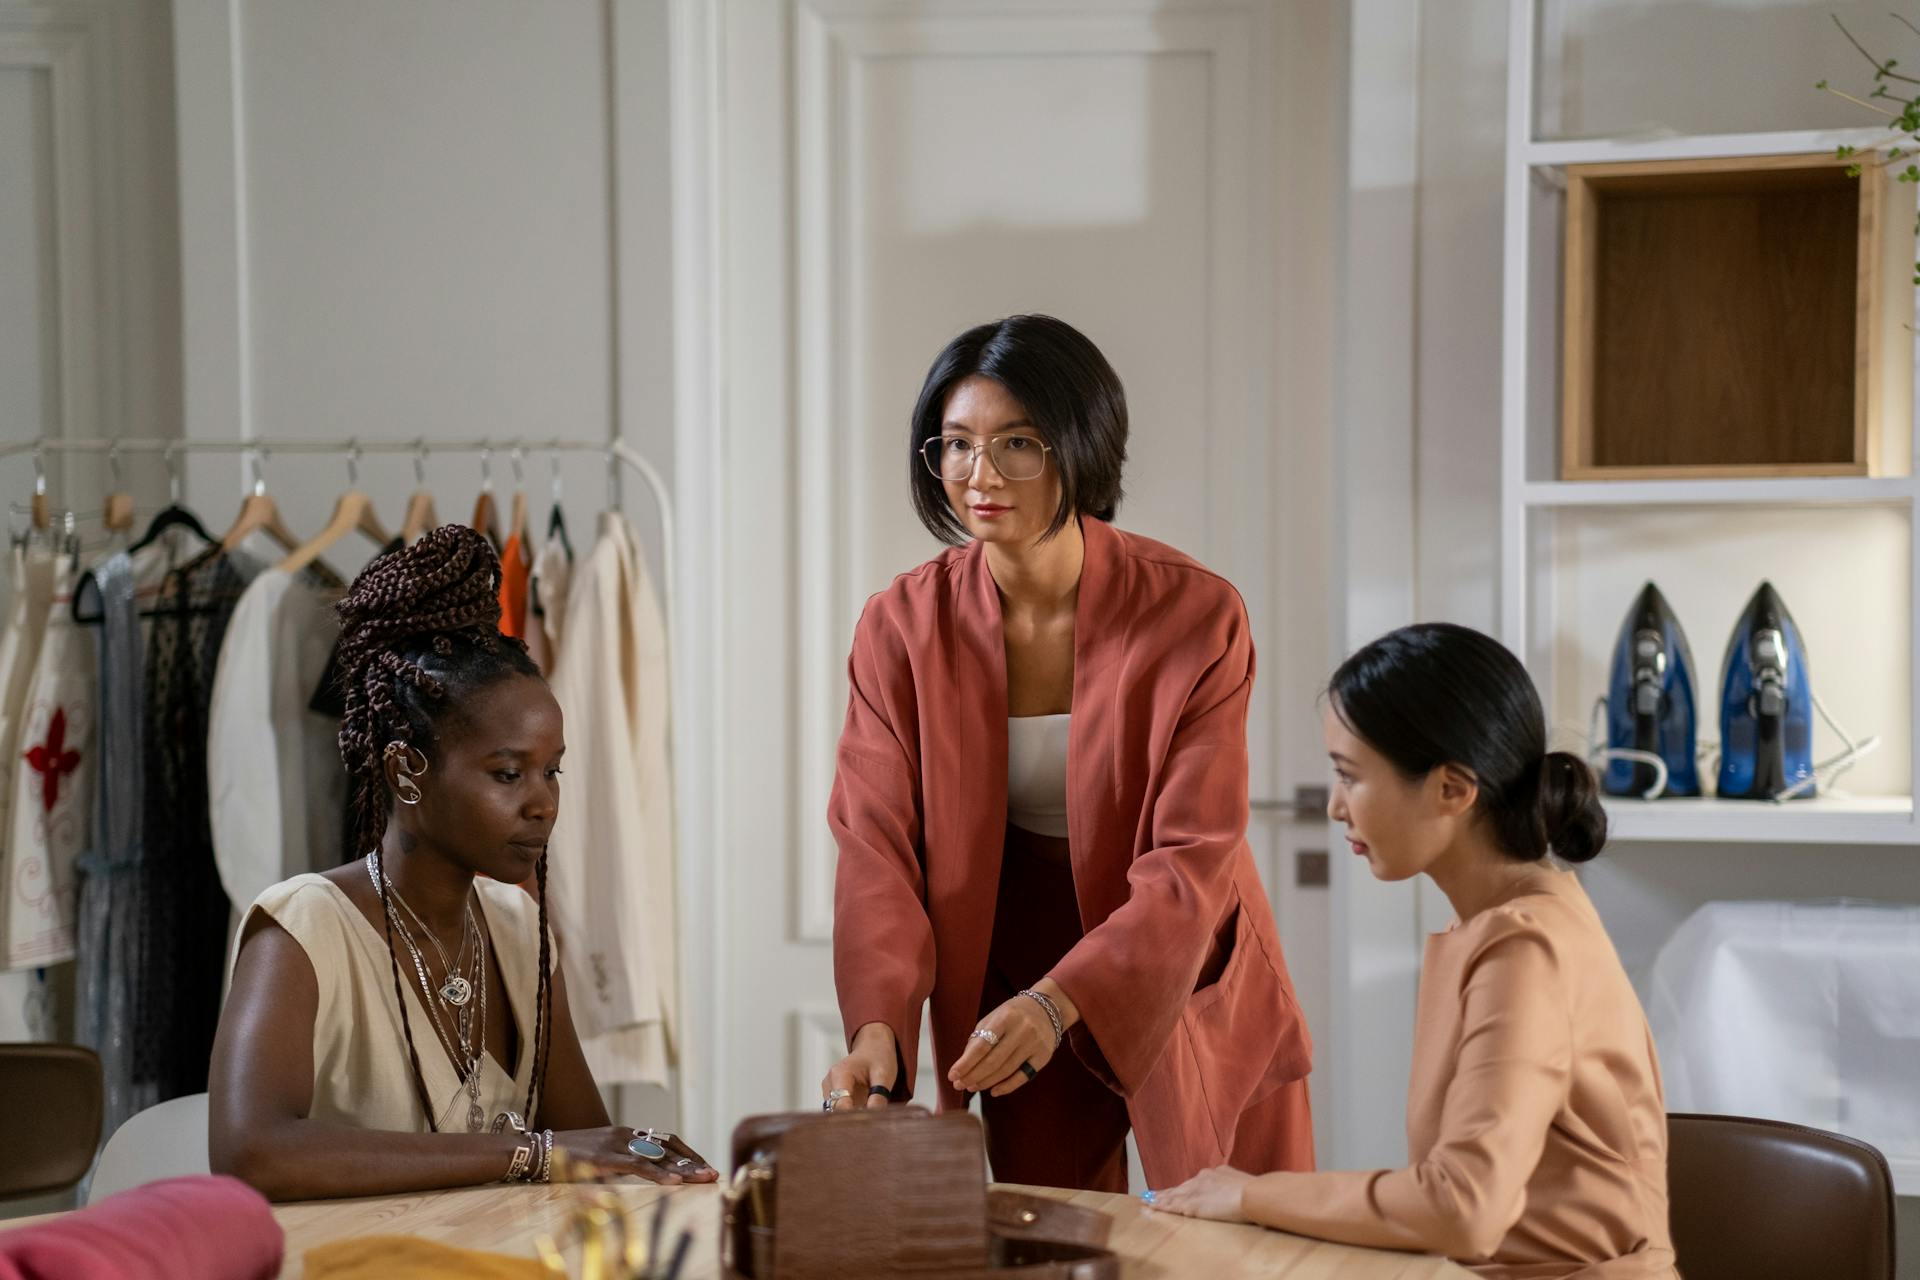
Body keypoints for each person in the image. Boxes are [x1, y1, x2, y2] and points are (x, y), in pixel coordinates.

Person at [824, 314, 1314, 1192]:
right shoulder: (899, 628)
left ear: (1081, 447)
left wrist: (1067, 1000)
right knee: (1049, 1239)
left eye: (1019, 443)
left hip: (1182, 950)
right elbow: (876, 851)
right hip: (1014, 964)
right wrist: (877, 1029)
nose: (981, 476)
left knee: (1240, 1239)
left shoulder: (1196, 616)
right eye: (958, 445)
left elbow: (1191, 860)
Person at [1150, 623, 1679, 1279]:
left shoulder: (1525, 950)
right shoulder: (1520, 922)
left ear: (1453, 789)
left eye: (1351, 777)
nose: (1337, 807)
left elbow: (1463, 1206)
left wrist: (1249, 1192)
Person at [208, 526, 715, 1200]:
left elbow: (583, 1151)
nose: (543, 805)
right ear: (406, 772)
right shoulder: (305, 929)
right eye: (508, 775)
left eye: (552, 772)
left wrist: (630, 1160)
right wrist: (529, 1154)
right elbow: (250, 1153)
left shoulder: (516, 930)